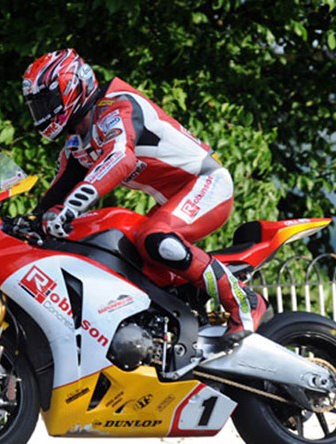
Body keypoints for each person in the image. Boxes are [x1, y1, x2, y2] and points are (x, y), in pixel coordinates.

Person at [22, 48, 266, 342]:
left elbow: (119, 159)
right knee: (128, 251)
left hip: (208, 182)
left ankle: (244, 302)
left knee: (157, 239)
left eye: (47, 101)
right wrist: (26, 223)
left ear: (71, 87)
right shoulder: (76, 142)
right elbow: (56, 191)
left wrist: (71, 208)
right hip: (172, 200)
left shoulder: (117, 106)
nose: (43, 112)